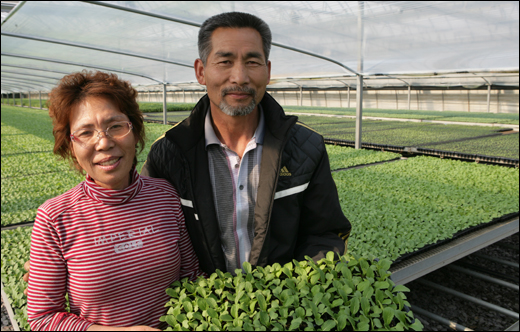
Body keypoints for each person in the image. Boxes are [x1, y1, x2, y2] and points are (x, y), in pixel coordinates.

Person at [141, 12, 352, 275]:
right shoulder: (169, 152)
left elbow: (325, 232)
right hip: (201, 308)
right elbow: (150, 235)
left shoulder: (305, 146)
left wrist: (292, 294)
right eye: (225, 61)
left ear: (268, 70)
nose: (239, 77)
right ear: (201, 71)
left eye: (252, 62)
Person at [26, 70, 204, 331]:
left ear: (134, 130)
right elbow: (43, 319)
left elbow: (192, 276)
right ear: (70, 146)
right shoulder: (54, 218)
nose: (104, 143)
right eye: (86, 133)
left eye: (115, 126)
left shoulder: (165, 195)